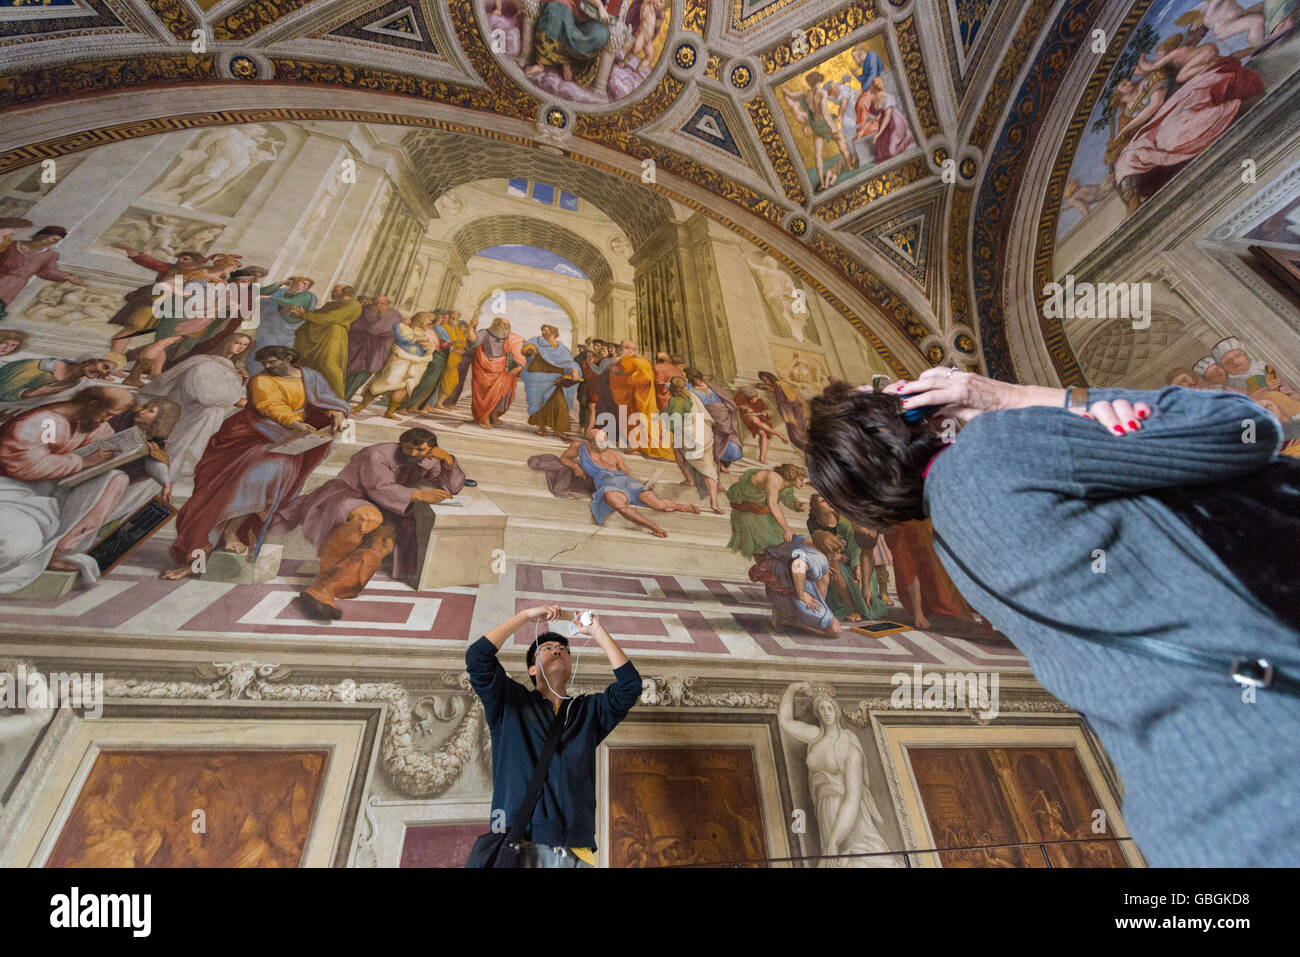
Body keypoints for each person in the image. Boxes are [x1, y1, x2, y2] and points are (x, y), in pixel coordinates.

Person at [805, 368, 1300, 866]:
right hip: (1271, 760)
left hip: (1195, 823)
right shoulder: (993, 449)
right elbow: (1247, 428)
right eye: (884, 388)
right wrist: (1008, 396)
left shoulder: (953, 548)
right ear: (899, 413)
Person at [466, 604, 641, 867]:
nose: (557, 650)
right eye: (545, 649)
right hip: (523, 845)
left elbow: (630, 687)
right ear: (532, 670)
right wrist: (525, 617)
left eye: (563, 650)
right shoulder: (511, 703)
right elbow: (478, 658)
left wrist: (596, 630)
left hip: (577, 852)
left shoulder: (588, 711)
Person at [162, 346, 350, 578]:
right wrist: (295, 423)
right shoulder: (261, 381)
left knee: (273, 479)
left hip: (288, 440)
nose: (267, 367)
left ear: (289, 358)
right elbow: (271, 406)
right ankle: (219, 538)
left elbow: (326, 400)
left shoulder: (311, 376)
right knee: (247, 479)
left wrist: (337, 412)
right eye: (265, 364)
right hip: (251, 435)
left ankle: (237, 532)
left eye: (271, 362)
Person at [268, 427, 465, 619]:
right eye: (408, 448)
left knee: (384, 544)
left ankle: (326, 590)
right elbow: (377, 488)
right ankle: (324, 578)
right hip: (349, 494)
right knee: (369, 519)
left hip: (391, 506)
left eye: (420, 450)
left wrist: (448, 460)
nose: (413, 454)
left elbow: (453, 487)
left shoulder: (430, 460)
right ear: (400, 444)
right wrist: (420, 494)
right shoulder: (378, 454)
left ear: (430, 449)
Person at [0, 386, 135, 592]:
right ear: (92, 405)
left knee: (115, 478)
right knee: (16, 547)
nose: (106, 420)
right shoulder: (43, 421)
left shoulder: (89, 422)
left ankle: (60, 550)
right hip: (11, 491)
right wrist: (81, 461)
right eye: (107, 414)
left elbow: (102, 441)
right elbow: (23, 467)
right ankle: (44, 551)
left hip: (45, 493)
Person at [779, 682, 901, 867]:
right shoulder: (814, 736)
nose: (827, 712)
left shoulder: (849, 747)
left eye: (830, 708)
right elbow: (785, 722)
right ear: (816, 713)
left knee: (857, 858)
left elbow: (853, 796)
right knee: (836, 860)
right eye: (822, 708)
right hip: (825, 806)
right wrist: (792, 689)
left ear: (837, 710)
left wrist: (835, 840)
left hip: (848, 809)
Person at [139, 332, 250, 483]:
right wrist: (237, 398)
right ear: (226, 341)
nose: (240, 347)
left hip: (210, 415)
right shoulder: (205, 363)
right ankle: (162, 476)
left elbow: (224, 389)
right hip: (197, 413)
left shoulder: (230, 366)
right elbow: (206, 395)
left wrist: (242, 382)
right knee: (179, 446)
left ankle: (170, 477)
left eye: (245, 345)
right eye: (237, 342)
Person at [561, 428, 700, 538]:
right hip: (608, 485)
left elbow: (626, 471)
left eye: (605, 441)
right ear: (591, 442)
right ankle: (651, 525)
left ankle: (681, 506)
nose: (605, 445)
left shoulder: (614, 455)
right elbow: (564, 458)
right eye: (601, 442)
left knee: (659, 505)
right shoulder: (579, 447)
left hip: (628, 482)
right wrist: (576, 467)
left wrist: (642, 481)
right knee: (618, 505)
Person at [350, 310, 439, 418]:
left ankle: (389, 411)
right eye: (428, 319)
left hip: (415, 364)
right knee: (384, 383)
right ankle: (361, 405)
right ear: (421, 318)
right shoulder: (403, 327)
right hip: (399, 361)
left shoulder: (425, 333)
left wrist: (425, 344)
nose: (430, 322)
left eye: (431, 320)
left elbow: (429, 347)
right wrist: (418, 340)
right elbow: (403, 339)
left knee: (403, 388)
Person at [749, 535, 840, 637]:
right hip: (792, 596)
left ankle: (783, 611)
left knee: (824, 574)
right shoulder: (820, 559)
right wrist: (801, 594)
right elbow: (798, 564)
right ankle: (787, 617)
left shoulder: (801, 540)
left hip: (775, 592)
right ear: (829, 551)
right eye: (838, 553)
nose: (839, 556)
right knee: (835, 631)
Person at [288, 284, 363, 399]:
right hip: (318, 333)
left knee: (329, 364)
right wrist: (302, 312)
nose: (332, 291)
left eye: (335, 290)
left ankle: (337, 398)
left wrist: (304, 315)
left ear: (345, 292)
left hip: (334, 335)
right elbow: (318, 314)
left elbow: (330, 317)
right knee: (309, 362)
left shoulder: (354, 305)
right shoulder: (331, 304)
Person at [608, 339, 674, 460]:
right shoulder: (632, 360)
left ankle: (645, 447)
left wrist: (628, 380)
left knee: (644, 421)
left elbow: (646, 377)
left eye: (622, 347)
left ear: (629, 349)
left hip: (642, 398)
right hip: (636, 397)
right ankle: (638, 445)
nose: (620, 349)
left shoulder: (635, 360)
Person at [725, 462, 807, 556]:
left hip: (762, 510)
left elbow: (788, 498)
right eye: (801, 479)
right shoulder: (774, 479)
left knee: (780, 539)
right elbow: (772, 504)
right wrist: (787, 529)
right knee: (768, 542)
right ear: (792, 476)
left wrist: (797, 505)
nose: (803, 483)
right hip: (747, 508)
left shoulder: (788, 485)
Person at [0, 226, 85, 314]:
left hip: (13, 285)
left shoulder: (49, 255)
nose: (55, 242)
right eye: (54, 239)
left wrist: (66, 276)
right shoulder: (11, 244)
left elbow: (47, 271)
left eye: (57, 240)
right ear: (43, 235)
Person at [248, 277, 316, 376]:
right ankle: (252, 372)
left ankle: (264, 374)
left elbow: (291, 302)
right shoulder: (282, 291)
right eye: (303, 283)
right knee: (260, 344)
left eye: (308, 285)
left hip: (287, 330)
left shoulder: (306, 295)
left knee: (273, 349)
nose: (306, 286)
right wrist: (280, 283)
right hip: (269, 324)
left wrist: (268, 298)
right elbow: (260, 292)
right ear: (293, 282)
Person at [521, 324, 581, 436]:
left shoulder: (561, 347)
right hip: (539, 376)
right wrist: (529, 350)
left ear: (553, 333)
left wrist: (574, 370)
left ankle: (558, 429)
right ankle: (541, 427)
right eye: (542, 330)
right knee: (541, 401)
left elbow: (570, 361)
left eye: (546, 330)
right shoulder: (537, 342)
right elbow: (525, 349)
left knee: (559, 403)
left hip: (556, 378)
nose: (543, 332)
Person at [470, 317, 527, 428]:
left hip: (503, 368)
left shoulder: (512, 337)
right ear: (495, 323)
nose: (504, 326)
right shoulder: (485, 333)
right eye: (502, 323)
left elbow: (519, 352)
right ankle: (484, 417)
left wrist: (519, 366)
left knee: (504, 394)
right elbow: (475, 342)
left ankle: (494, 415)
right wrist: (471, 327)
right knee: (485, 395)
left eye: (507, 324)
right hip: (485, 366)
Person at [0, 354, 123, 404]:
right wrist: (31, 394)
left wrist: (32, 394)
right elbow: (3, 392)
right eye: (105, 367)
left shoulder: (74, 383)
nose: (103, 373)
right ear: (90, 361)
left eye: (108, 372)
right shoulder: (39, 367)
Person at [343, 294, 401, 398]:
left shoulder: (394, 315)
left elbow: (389, 330)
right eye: (376, 303)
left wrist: (372, 330)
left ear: (388, 304)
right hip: (358, 348)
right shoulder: (364, 310)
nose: (378, 305)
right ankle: (338, 399)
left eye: (382, 303)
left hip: (378, 351)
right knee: (349, 373)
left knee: (362, 375)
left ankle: (345, 399)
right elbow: (354, 325)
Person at [734, 386, 786, 464]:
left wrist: (766, 412)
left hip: (762, 419)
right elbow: (736, 405)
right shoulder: (739, 397)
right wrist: (744, 408)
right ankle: (777, 433)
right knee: (754, 419)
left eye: (754, 398)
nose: (752, 401)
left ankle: (762, 457)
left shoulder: (763, 399)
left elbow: (771, 411)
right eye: (750, 399)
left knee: (763, 433)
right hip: (748, 419)